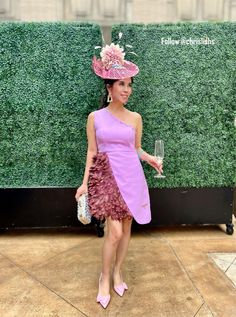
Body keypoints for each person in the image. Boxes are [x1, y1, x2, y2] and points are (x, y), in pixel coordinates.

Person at [75, 42, 163, 309]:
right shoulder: (95, 117)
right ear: (109, 88)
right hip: (107, 177)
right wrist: (84, 184)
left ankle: (118, 271)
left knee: (126, 228)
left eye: (129, 84)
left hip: (132, 176)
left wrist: (150, 159)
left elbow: (135, 149)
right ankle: (104, 276)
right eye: (122, 84)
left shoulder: (136, 118)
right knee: (113, 231)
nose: (127, 89)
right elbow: (92, 150)